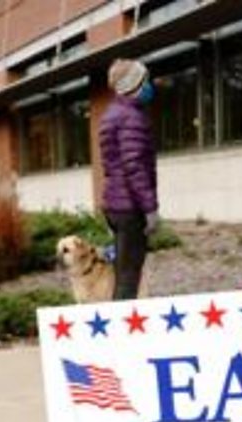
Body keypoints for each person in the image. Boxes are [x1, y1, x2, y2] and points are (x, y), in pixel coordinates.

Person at [100, 59, 159, 300]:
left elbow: (112, 165)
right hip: (130, 208)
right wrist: (150, 209)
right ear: (134, 84)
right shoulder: (130, 117)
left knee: (122, 271)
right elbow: (134, 166)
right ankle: (120, 334)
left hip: (116, 205)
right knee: (128, 278)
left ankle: (119, 328)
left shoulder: (111, 114)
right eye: (145, 80)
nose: (149, 84)